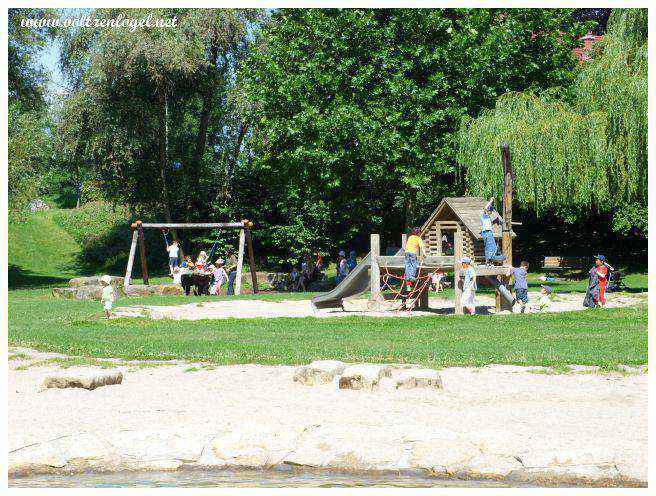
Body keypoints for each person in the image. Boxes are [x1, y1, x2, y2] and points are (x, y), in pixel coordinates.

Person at [481, 197, 506, 265]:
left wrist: (496, 221)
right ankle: (490, 259)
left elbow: (490, 223)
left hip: (488, 233)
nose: (490, 212)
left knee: (489, 247)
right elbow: (485, 208)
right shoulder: (484, 216)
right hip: (487, 232)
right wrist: (491, 201)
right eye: (490, 211)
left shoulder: (487, 218)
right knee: (492, 247)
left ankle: (488, 261)